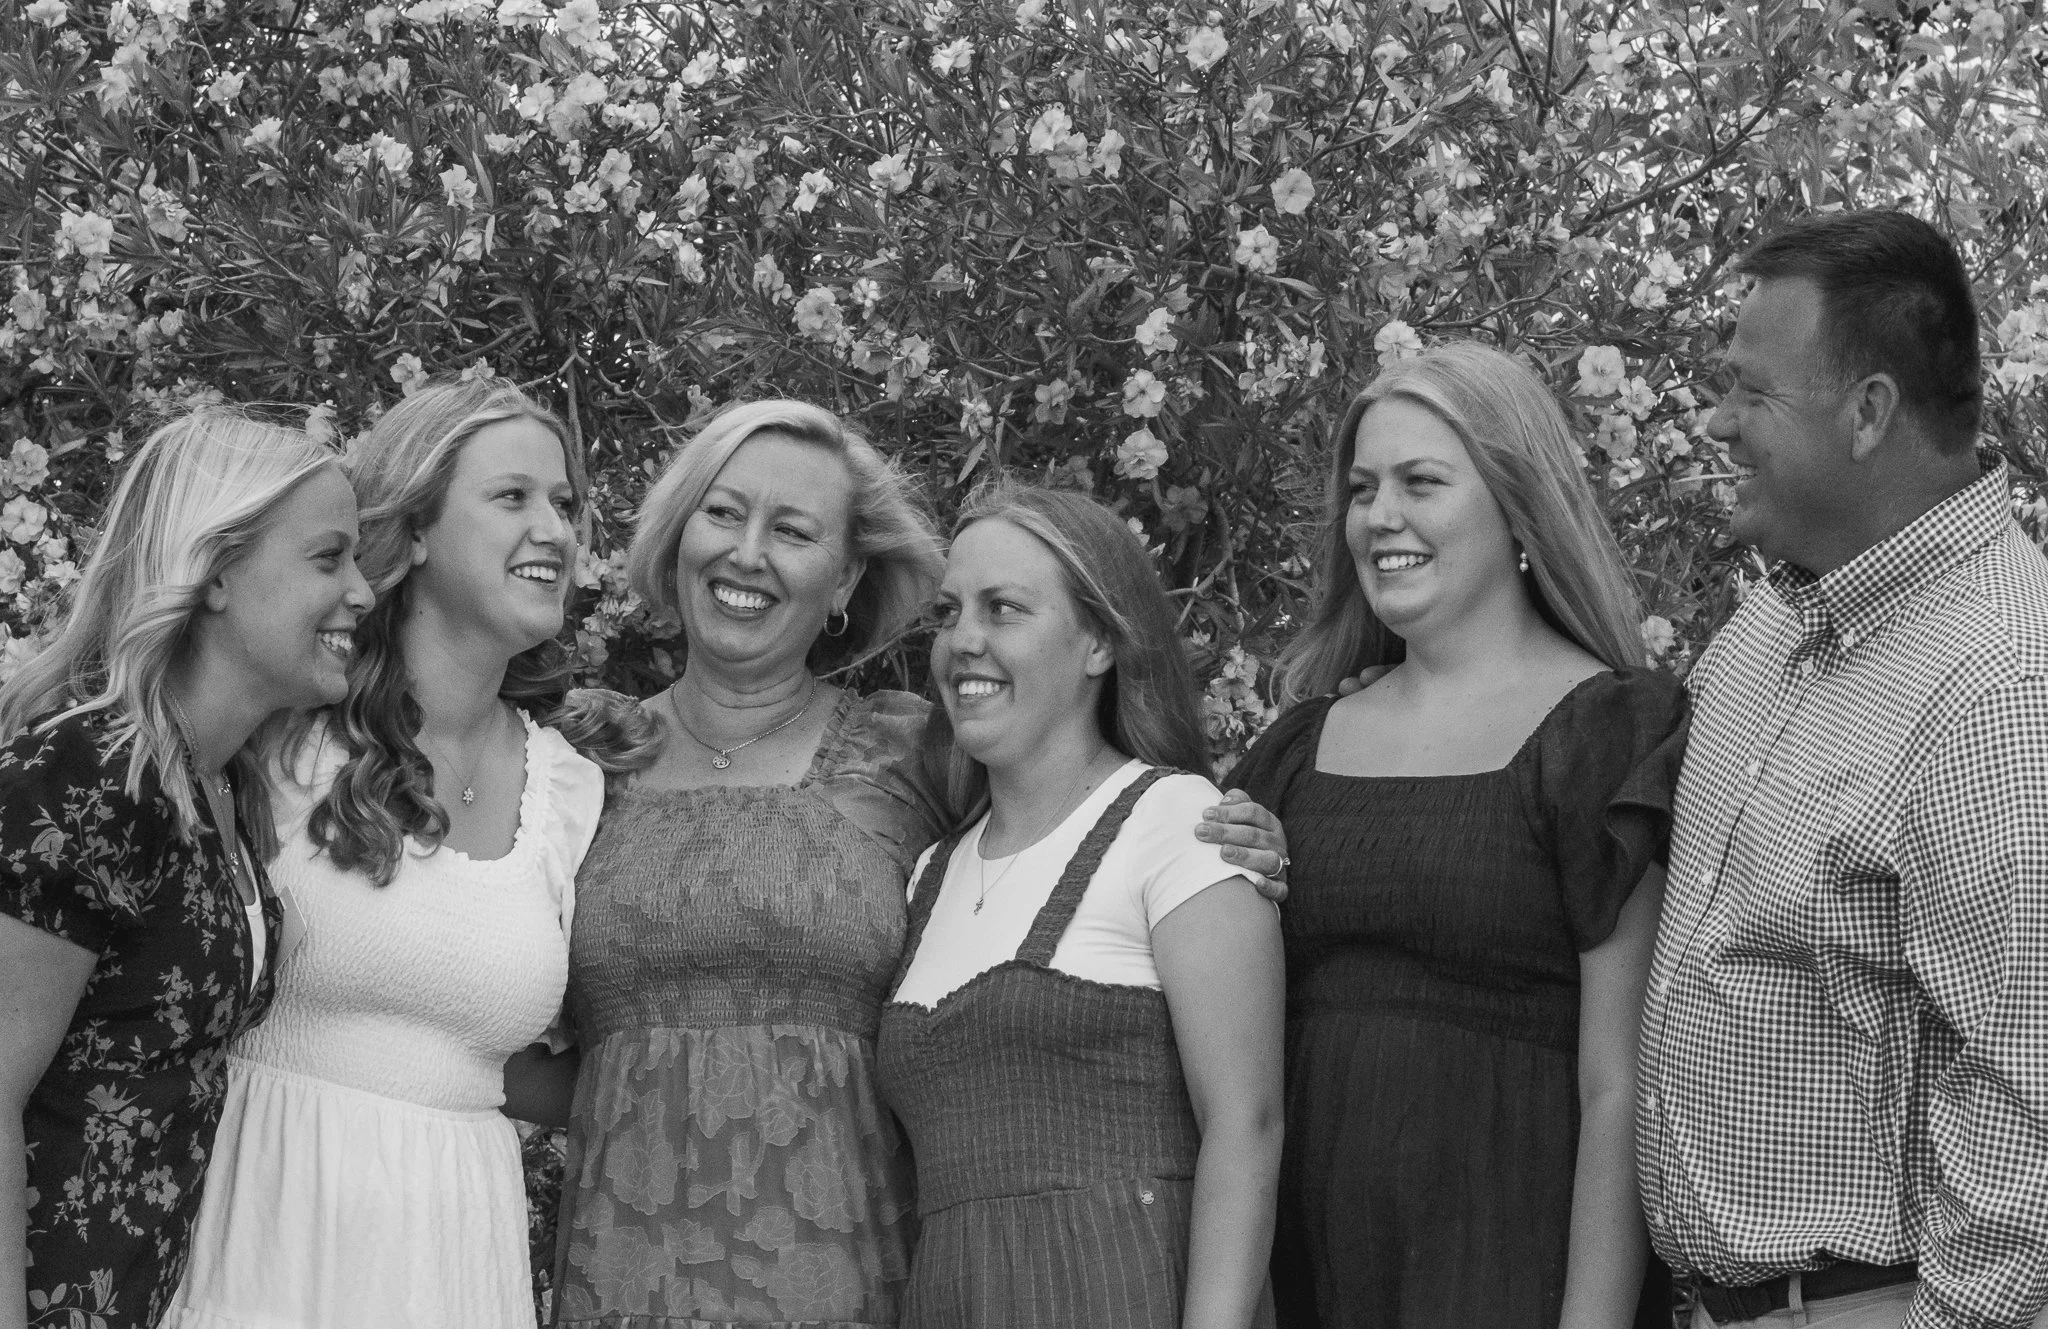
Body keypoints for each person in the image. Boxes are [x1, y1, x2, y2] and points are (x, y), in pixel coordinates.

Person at [550, 401, 1288, 1327]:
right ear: (676, 532)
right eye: (723, 512)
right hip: (620, 1271)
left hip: (858, 1277)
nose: (747, 553)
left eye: (791, 530)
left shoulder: (911, 756)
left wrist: (1232, 838)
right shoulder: (578, 759)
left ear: (847, 575)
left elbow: (1070, 815)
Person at [164, 377, 646, 1328]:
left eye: (565, 503)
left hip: (456, 1252)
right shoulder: (282, 735)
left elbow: (537, 1063)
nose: (553, 527)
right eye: (512, 497)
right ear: (416, 529)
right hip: (269, 1227)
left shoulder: (572, 791)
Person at [1637, 211, 2048, 1327]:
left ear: (1867, 412)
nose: (1716, 424)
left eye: (1748, 394)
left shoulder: (1996, 686)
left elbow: (2030, 1105)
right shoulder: (1775, 622)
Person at [1228, 341, 1688, 1328]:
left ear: (1517, 507)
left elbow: (1620, 1085)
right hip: (1308, 1282)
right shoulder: (1294, 752)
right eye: (1360, 488)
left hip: (1503, 1273)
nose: (1378, 516)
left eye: (1419, 482)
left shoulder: (1605, 732)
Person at [877, 482, 1285, 1328]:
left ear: (1099, 640)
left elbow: (1246, 1124)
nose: (964, 643)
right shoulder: (927, 877)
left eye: (1004, 609)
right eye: (949, 614)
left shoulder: (1176, 823)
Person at [0, 409, 371, 1329]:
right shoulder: (89, 773)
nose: (362, 592)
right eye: (329, 559)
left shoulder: (217, 787)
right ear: (215, 571)